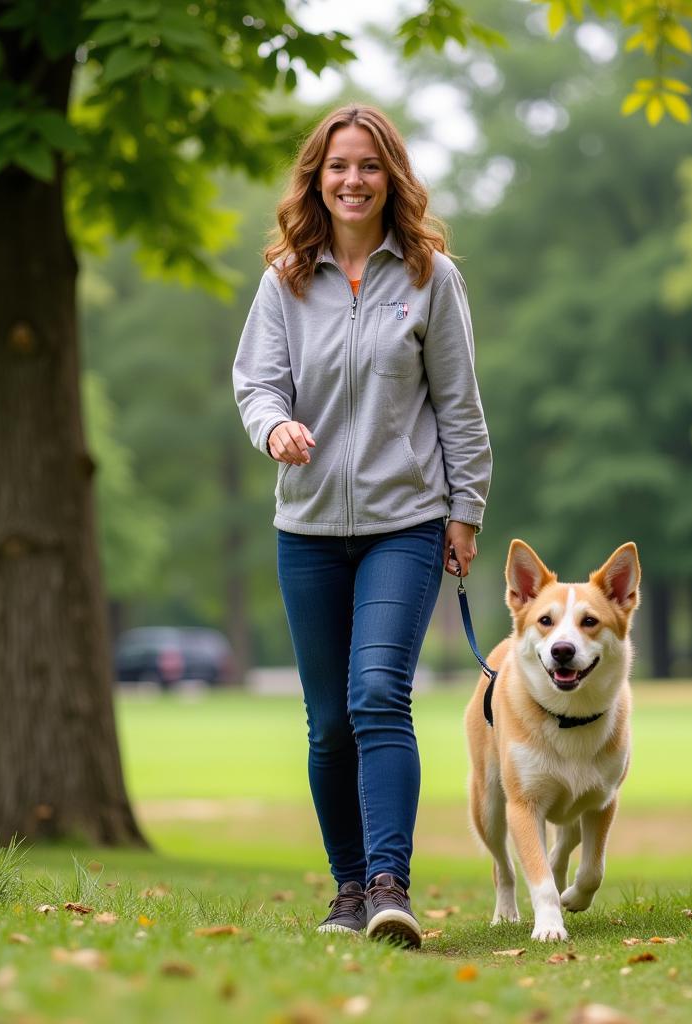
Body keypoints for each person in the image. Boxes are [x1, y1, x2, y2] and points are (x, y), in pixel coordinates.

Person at [233, 103, 491, 949]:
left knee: (378, 693)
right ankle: (347, 888)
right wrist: (276, 428)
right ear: (316, 178)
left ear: (393, 179)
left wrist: (465, 512)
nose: (352, 180)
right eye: (337, 166)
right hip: (306, 529)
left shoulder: (431, 277)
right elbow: (257, 385)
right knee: (328, 720)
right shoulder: (284, 280)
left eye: (369, 166)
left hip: (405, 524)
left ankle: (390, 885)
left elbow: (460, 407)